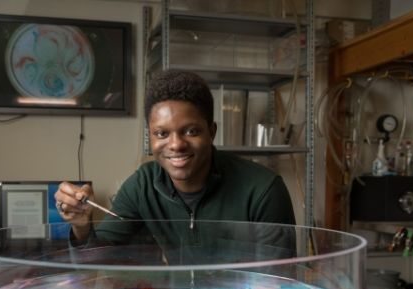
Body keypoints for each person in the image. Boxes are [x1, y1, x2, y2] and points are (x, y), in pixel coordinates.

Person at [54, 69, 295, 253]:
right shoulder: (143, 185)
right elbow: (101, 256)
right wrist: (81, 226)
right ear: (150, 137)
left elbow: (278, 281)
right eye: (162, 134)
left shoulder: (263, 190)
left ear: (211, 132)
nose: (176, 144)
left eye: (191, 131)